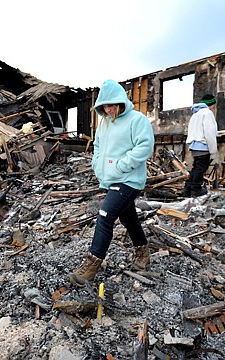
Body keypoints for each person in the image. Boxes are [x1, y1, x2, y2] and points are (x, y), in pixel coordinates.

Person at [68, 79, 155, 287]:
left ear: (121, 102)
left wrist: (121, 166)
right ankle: (142, 255)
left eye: (112, 105)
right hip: (111, 180)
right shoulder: (104, 122)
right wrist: (97, 165)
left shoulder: (137, 120)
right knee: (129, 219)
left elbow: (145, 146)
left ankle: (91, 266)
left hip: (129, 179)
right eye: (104, 106)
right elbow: (97, 146)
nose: (108, 109)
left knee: (105, 217)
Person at [181, 94, 218, 197]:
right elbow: (209, 133)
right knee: (200, 169)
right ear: (211, 104)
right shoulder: (207, 113)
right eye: (213, 106)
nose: (213, 108)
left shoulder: (195, 114)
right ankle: (196, 190)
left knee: (196, 168)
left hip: (194, 145)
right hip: (203, 145)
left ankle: (187, 189)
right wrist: (213, 150)